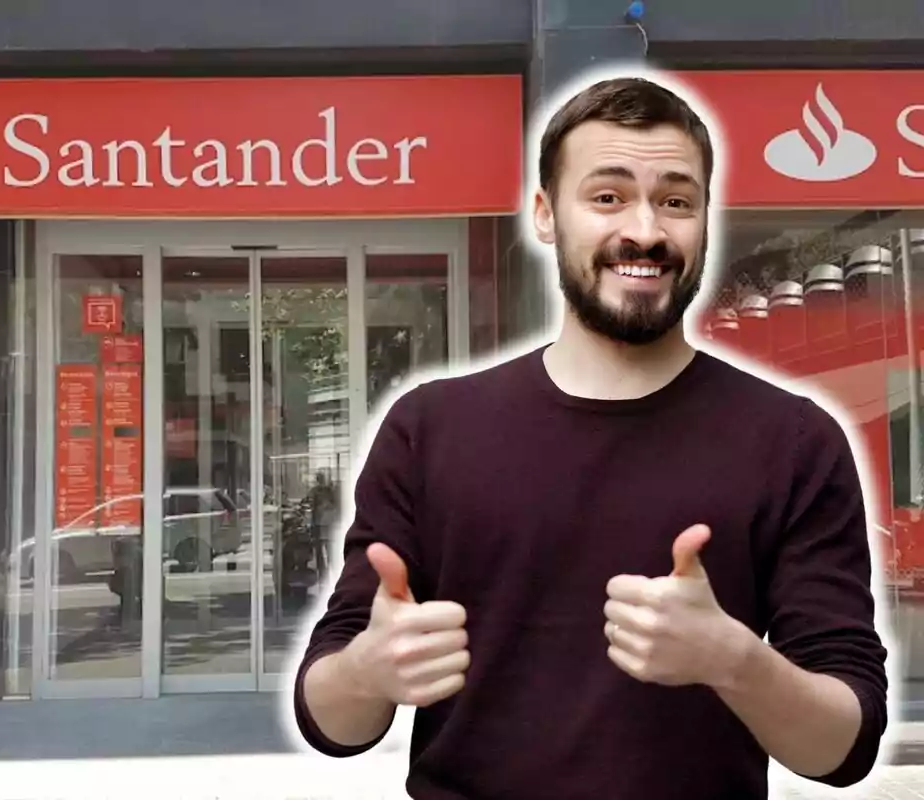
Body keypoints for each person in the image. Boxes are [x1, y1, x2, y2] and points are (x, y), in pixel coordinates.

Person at [290, 74, 890, 799]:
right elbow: (333, 721)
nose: (644, 230)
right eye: (607, 197)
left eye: (676, 200)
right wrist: (368, 670)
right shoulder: (431, 428)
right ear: (545, 215)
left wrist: (735, 660)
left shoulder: (795, 442)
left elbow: (843, 748)